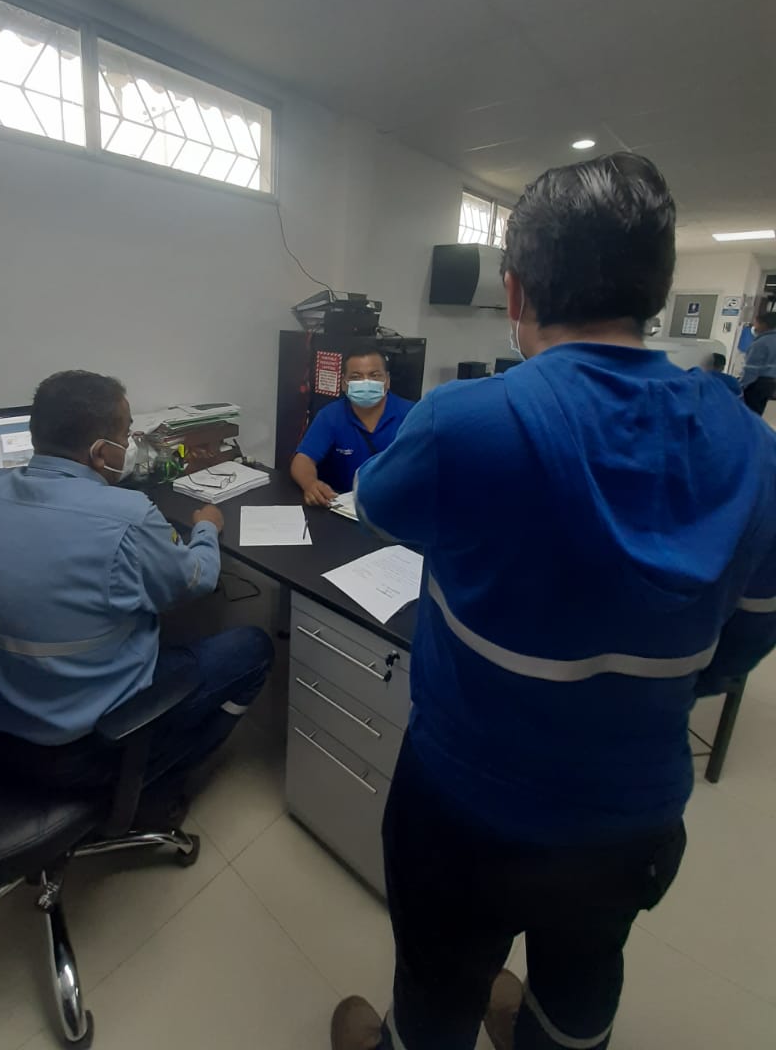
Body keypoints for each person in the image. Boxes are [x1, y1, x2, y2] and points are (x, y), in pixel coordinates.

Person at [332, 154, 776, 1050]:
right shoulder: (758, 453)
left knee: (436, 989)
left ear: (515, 289)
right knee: (582, 982)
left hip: (463, 800)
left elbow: (375, 505)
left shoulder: (464, 421)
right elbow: (739, 648)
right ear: (659, 289)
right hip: (631, 815)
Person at [0, 369, 274, 807]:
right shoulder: (127, 515)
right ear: (102, 453)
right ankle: (154, 783)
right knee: (253, 647)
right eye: (125, 435)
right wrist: (205, 528)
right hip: (80, 748)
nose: (130, 444)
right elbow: (198, 579)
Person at [290, 343, 414, 505]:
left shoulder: (413, 415)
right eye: (356, 377)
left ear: (387, 380)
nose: (366, 383)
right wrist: (310, 484)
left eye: (374, 375)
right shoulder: (331, 415)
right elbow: (303, 460)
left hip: (395, 506)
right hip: (343, 506)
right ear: (344, 383)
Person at [740, 312, 776, 415]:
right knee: (757, 412)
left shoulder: (761, 343)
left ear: (764, 324)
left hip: (756, 384)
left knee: (747, 413)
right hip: (770, 384)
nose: (754, 327)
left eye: (756, 323)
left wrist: (741, 386)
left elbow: (751, 370)